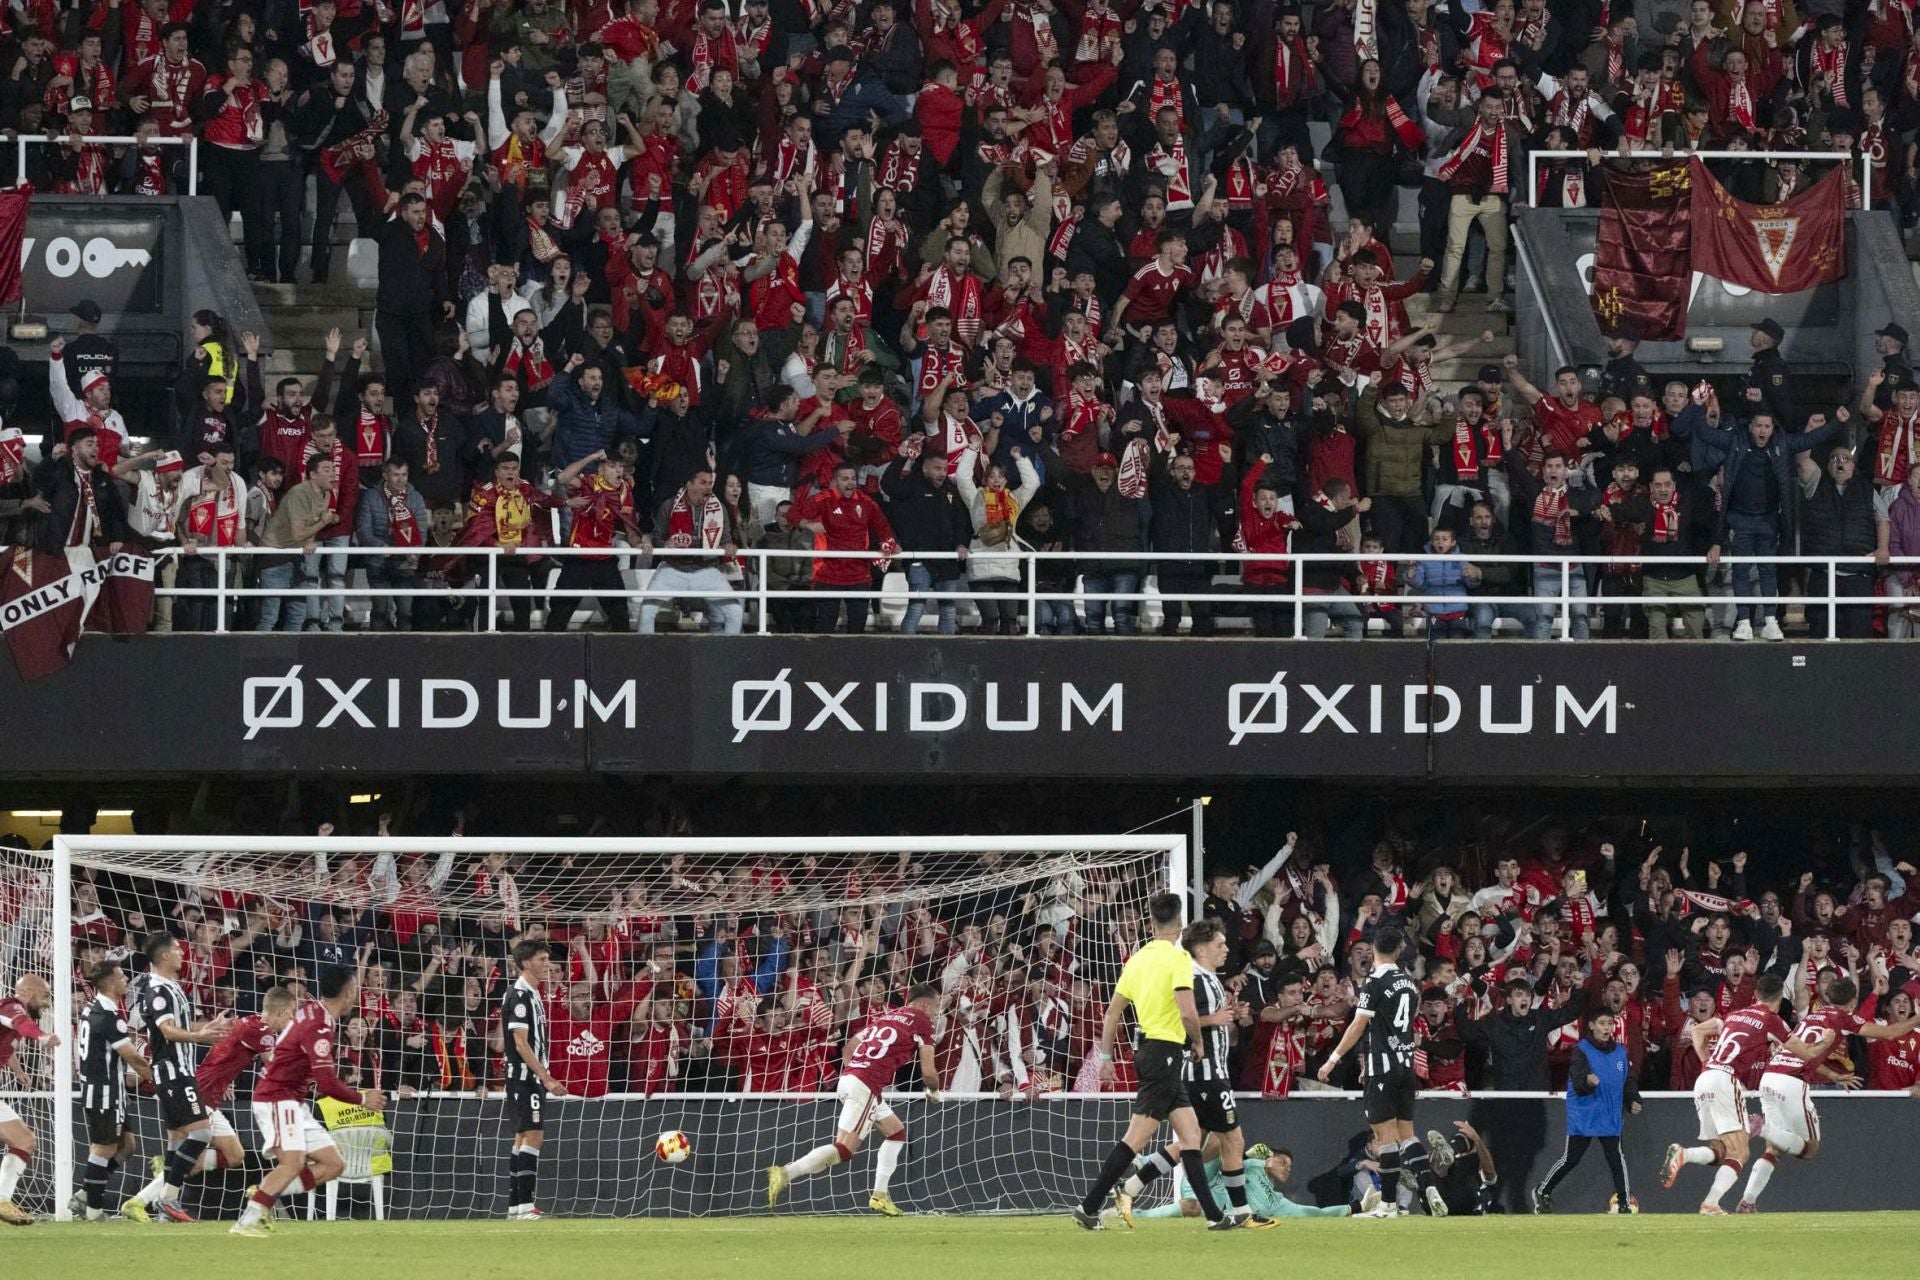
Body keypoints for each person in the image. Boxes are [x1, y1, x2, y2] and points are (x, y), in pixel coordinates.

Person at [1074, 891, 1229, 1230]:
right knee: (1136, 1138)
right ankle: (1088, 1207)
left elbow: (1112, 1012)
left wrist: (1105, 1056)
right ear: (1179, 922)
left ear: (1151, 922)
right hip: (1165, 1054)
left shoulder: (1138, 959)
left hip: (1149, 1051)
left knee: (1190, 1138)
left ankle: (1216, 1217)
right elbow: (1188, 1012)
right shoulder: (1177, 960)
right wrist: (1199, 1042)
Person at [1112, 921, 1276, 1229]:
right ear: (1201, 949)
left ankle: (1130, 1188)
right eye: (1220, 944)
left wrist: (1230, 1017)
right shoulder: (1193, 978)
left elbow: (1207, 1020)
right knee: (1233, 1139)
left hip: (1207, 1071)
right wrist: (1216, 1018)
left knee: (1190, 1143)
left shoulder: (1209, 977)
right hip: (1205, 1072)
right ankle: (1241, 1212)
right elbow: (1183, 1020)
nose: (1226, 949)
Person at [1739, 977, 1920, 1212]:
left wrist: (1833, 1076)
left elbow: (1802, 1052)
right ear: (1852, 1001)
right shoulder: (1842, 1018)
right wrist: (1917, 1018)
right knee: (1809, 1149)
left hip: (1770, 1076)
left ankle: (1747, 1202)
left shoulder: (1812, 1017)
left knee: (1773, 1148)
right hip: (1792, 1082)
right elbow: (1889, 1033)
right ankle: (1761, 1127)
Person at [230, 967, 386, 1237]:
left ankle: (266, 1193)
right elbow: (326, 1082)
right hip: (277, 1097)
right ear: (348, 992)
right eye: (355, 987)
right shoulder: (319, 1024)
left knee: (333, 1164)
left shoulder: (316, 1013)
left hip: (293, 1101)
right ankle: (248, 1221)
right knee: (292, 1163)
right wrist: (363, 1098)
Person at [768, 983, 941, 1217]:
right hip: (865, 1085)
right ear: (924, 1004)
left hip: (851, 1078)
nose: (936, 1012)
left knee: (896, 1132)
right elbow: (928, 1072)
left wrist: (858, 1072)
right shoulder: (922, 1020)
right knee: (844, 1150)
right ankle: (787, 1172)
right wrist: (934, 1092)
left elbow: (849, 1047)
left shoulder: (887, 1017)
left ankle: (880, 1195)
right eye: (935, 1006)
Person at [1658, 973, 1826, 1214]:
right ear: (1779, 999)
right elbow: (1806, 1054)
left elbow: (1697, 1032)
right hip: (1725, 1080)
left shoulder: (1732, 1015)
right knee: (1741, 1152)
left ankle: (1684, 1154)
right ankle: (1710, 1204)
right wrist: (1826, 1041)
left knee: (1721, 1153)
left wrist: (1708, 1062)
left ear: (1756, 994)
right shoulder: (1772, 1020)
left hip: (1704, 1079)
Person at [129, 986, 297, 1218]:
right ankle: (146, 1199)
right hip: (202, 1095)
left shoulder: (248, 1023)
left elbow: (224, 1050)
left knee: (234, 1155)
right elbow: (276, 1068)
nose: (291, 1020)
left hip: (208, 1093)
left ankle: (166, 1178)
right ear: (281, 1011)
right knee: (195, 1157)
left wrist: (226, 1077)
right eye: (291, 1014)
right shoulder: (262, 1031)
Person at [1318, 927, 1441, 1215]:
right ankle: (1428, 1184)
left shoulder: (1374, 981)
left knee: (1384, 1139)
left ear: (1373, 948)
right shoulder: (1411, 984)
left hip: (1382, 1069)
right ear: (1399, 950)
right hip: (1405, 1066)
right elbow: (1396, 1028)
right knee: (1407, 1135)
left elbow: (1360, 1025)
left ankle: (1387, 1204)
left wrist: (1333, 1059)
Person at [122, 932, 236, 1223]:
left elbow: (180, 1026)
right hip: (173, 1074)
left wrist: (208, 1027)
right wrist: (200, 1036)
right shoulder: (156, 990)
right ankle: (168, 1198)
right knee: (201, 1133)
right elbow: (168, 1031)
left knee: (176, 1142)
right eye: (177, 949)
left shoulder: (171, 987)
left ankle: (165, 1211)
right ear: (163, 956)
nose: (182, 952)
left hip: (179, 1073)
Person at [1531, 1010, 1641, 1214]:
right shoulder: (1581, 1050)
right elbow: (1578, 1082)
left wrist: (1633, 1099)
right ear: (1591, 1026)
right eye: (1602, 1023)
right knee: (1571, 1159)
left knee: (1616, 1158)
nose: (1607, 1027)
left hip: (1609, 1113)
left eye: (1610, 1023)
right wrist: (1588, 1082)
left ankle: (1624, 1203)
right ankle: (1543, 1189)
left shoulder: (1620, 1052)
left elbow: (1628, 1080)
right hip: (1585, 1113)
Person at [79, 962, 151, 1222]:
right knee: (103, 1148)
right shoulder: (108, 1017)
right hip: (104, 1091)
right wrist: (158, 1082)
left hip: (112, 1090)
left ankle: (87, 1192)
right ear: (110, 982)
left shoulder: (93, 1008)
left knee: (127, 1146)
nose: (126, 979)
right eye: (122, 976)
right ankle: (93, 1210)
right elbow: (134, 1059)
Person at [502, 941, 568, 1221]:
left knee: (521, 1139)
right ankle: (527, 1208)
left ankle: (516, 1207)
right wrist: (546, 1077)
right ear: (527, 963)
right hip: (525, 1078)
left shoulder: (532, 993)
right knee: (534, 1137)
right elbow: (520, 1043)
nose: (548, 964)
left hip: (526, 1078)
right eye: (542, 959)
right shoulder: (519, 995)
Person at [1134, 1142, 1364, 1220]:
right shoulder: (1253, 1162)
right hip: (1208, 1177)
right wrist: (1245, 1156)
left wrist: (1356, 1207)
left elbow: (1312, 1213)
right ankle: (1149, 1162)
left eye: (1291, 1168)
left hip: (1213, 1201)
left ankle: (1138, 1215)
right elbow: (1228, 1163)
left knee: (1191, 1207)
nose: (1287, 1169)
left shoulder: (1276, 1202)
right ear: (1269, 1158)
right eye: (1283, 1162)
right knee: (1219, 1138)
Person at [640, 468, 745, 635]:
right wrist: (666, 544)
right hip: (673, 568)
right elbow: (657, 538)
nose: (708, 488)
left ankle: (727, 656)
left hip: (706, 569)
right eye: (703, 483)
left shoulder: (719, 508)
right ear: (689, 485)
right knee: (646, 611)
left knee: (735, 612)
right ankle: (644, 656)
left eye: (710, 483)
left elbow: (725, 541)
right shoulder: (669, 505)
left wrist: (730, 548)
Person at [0, 974, 59, 1226]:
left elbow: (7, 1045)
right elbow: (22, 1024)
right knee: (24, 1139)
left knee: (24, 1140)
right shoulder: (11, 1006)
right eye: (45, 996)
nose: (46, 1003)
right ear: (30, 991)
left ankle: (3, 1201)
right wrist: (42, 1037)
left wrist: (20, 1072)